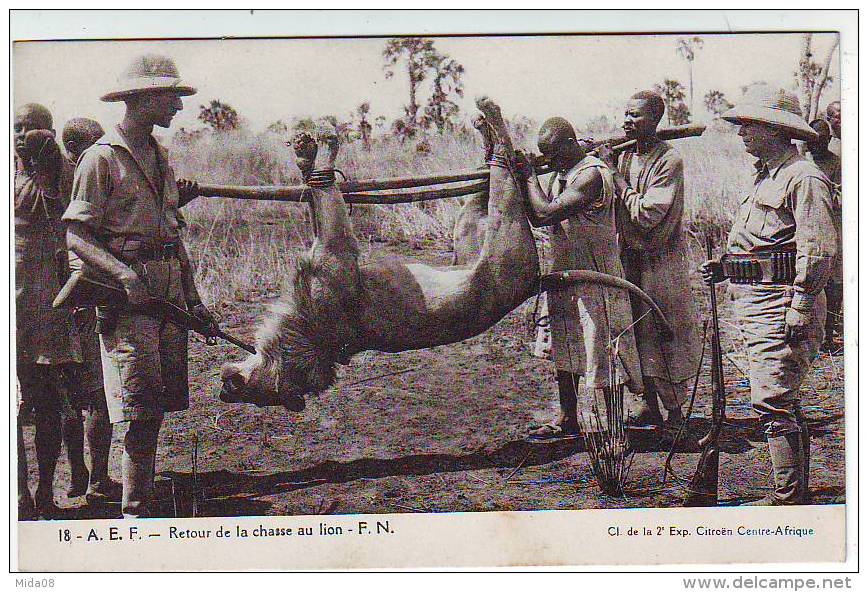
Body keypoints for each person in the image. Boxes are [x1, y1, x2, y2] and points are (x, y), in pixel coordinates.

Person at [62, 54, 217, 518]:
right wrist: (125, 276)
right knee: (137, 409)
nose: (178, 107)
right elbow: (75, 235)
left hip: (167, 293)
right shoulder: (101, 158)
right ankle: (134, 517)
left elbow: (173, 234)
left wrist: (195, 299)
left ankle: (140, 503)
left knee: (157, 404)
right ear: (144, 98)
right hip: (127, 299)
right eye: (171, 97)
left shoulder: (160, 155)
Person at [701, 88, 837, 505]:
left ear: (775, 130)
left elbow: (819, 249)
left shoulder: (803, 177)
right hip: (754, 298)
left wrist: (801, 304)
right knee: (777, 395)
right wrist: (726, 267)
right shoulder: (766, 173)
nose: (741, 132)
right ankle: (793, 492)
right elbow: (766, 243)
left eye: (750, 125)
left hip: (781, 301)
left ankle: (787, 498)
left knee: (772, 398)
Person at [523, 117, 644, 439]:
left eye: (551, 154)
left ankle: (616, 432)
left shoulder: (590, 176)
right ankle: (567, 418)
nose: (547, 161)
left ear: (568, 145)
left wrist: (528, 176)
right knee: (565, 346)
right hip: (565, 273)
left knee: (605, 352)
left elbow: (543, 214)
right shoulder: (565, 171)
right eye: (542, 156)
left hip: (596, 276)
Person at [597, 91, 702, 429]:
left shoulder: (669, 160)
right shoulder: (625, 157)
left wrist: (614, 174)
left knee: (663, 332)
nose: (628, 122)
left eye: (636, 116)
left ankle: (674, 414)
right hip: (628, 260)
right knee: (634, 333)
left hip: (660, 263)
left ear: (655, 120)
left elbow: (645, 214)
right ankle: (648, 406)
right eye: (626, 115)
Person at [14, 103, 81, 519]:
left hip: (48, 300)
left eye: (32, 127)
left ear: (50, 132)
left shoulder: (64, 173)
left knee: (49, 399)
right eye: (16, 127)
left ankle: (45, 492)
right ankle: (19, 492)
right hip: (12, 298)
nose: (22, 134)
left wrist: (44, 168)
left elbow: (68, 219)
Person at [60, 117, 123, 503]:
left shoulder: (35, 184)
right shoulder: (88, 178)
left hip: (52, 304)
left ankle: (77, 475)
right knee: (98, 396)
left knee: (68, 397)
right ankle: (97, 478)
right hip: (86, 294)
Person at [805, 118, 843, 352]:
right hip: (808, 226)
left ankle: (829, 332)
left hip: (833, 225)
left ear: (829, 140)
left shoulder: (837, 164)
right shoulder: (803, 163)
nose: (814, 145)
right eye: (810, 141)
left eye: (819, 140)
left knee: (834, 282)